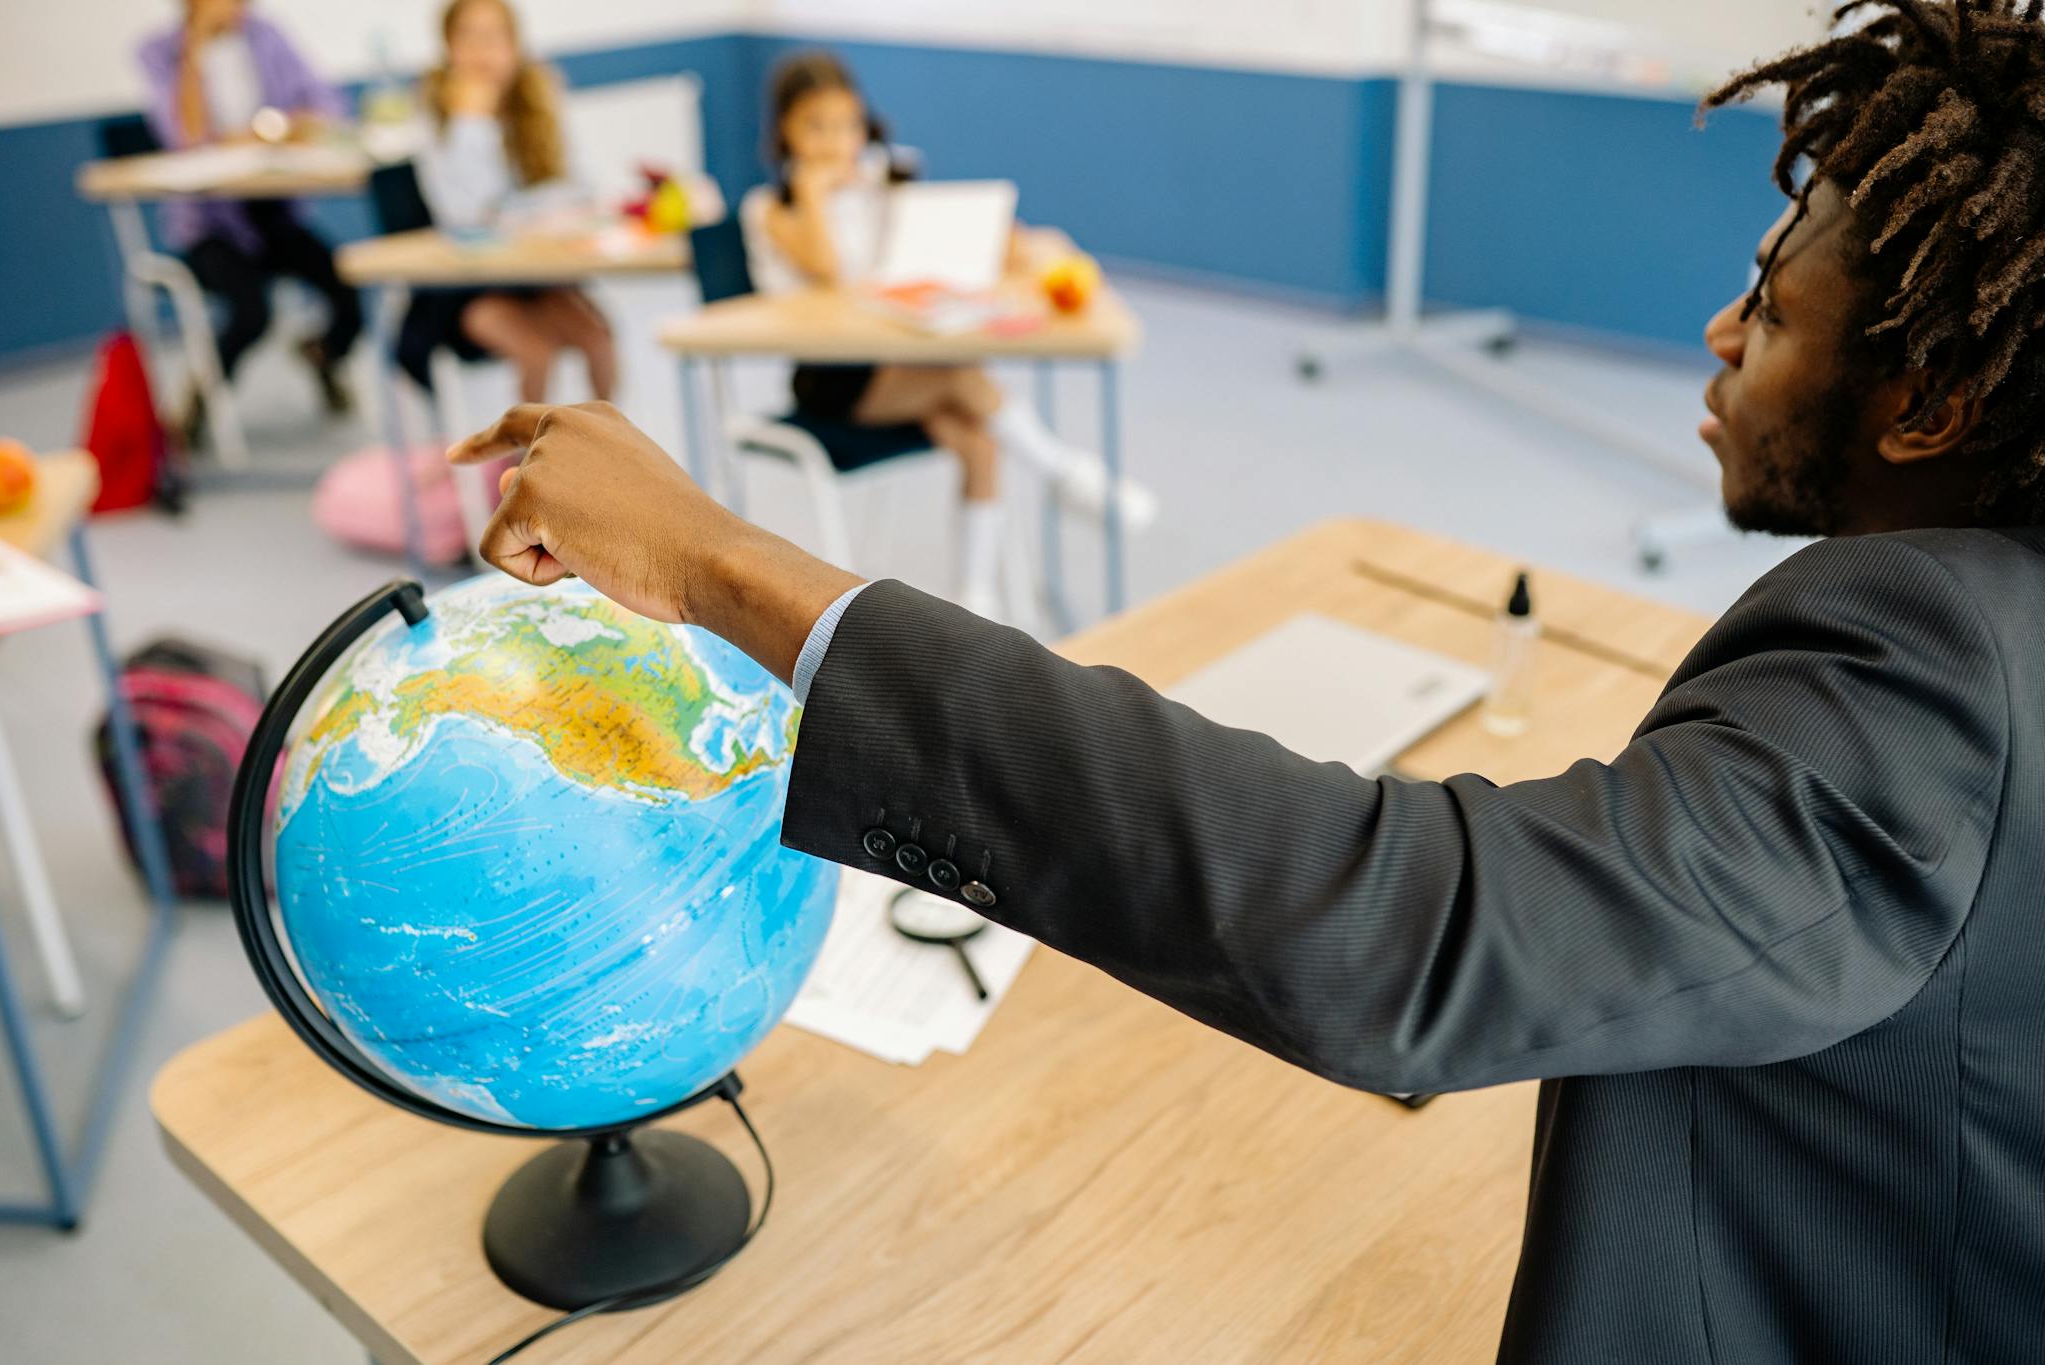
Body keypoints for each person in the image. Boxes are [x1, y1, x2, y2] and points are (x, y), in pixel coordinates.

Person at [450, 3, 2045, 1360]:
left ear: (1923, 406)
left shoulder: (1934, 666)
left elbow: (1409, 930)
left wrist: (721, 565)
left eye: (1768, 305)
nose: (1718, 326)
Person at [740, 51, 1155, 620]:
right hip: (834, 381)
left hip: (898, 360)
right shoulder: (770, 208)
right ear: (785, 129)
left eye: (847, 126)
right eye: (817, 127)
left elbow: (915, 256)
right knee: (960, 373)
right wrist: (815, 191)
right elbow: (824, 268)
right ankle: (1064, 473)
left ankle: (976, 600)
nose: (837, 142)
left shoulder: (875, 190)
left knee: (980, 444)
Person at [137, 0, 362, 429]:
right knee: (251, 312)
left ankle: (321, 354)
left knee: (347, 282)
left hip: (273, 212)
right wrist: (195, 44)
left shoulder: (266, 35)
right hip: (211, 225)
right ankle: (200, 401)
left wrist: (294, 125)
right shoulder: (160, 51)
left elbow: (326, 105)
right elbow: (182, 135)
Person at [407, 0, 617, 408]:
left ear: (515, 45)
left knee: (598, 337)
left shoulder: (538, 99)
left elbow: (580, 186)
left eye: (494, 37)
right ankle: (524, 466)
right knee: (536, 352)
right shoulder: (438, 117)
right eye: (468, 37)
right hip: (467, 286)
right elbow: (467, 211)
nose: (482, 50)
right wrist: (473, 121)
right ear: (448, 48)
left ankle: (605, 450)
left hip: (535, 274)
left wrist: (521, 211)